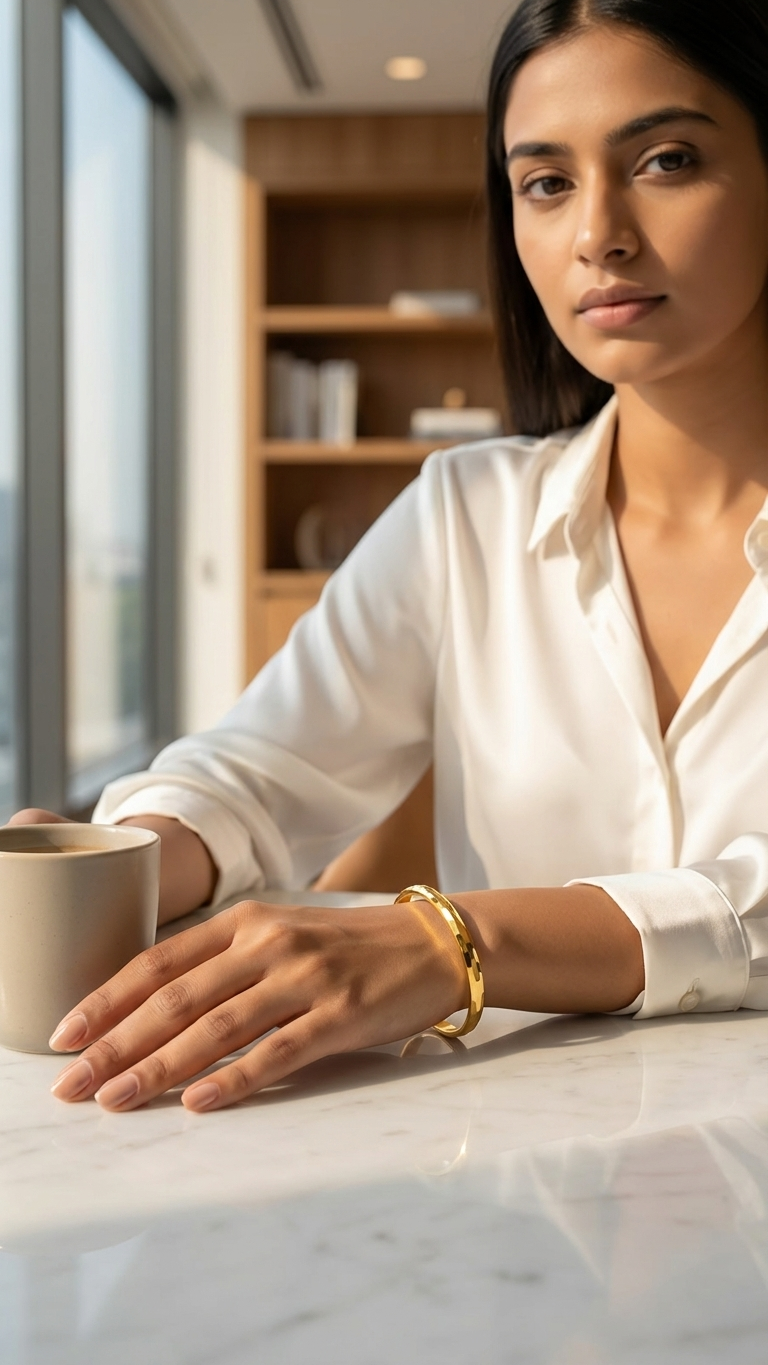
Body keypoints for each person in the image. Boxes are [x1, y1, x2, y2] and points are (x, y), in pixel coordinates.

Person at [12, 0, 768, 1113]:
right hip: (509, 1196)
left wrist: (456, 943)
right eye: (545, 181)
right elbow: (264, 769)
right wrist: (133, 853)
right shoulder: (465, 513)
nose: (597, 232)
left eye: (665, 159)